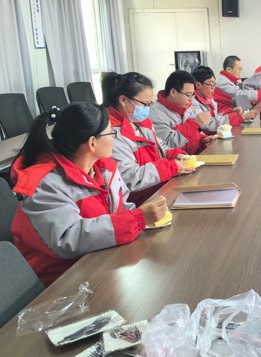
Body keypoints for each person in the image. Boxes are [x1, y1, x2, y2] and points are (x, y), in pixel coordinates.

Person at [10, 103, 168, 286]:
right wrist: (137, 219)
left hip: (103, 258)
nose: (114, 138)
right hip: (63, 280)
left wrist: (139, 218)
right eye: (111, 133)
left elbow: (123, 207)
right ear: (92, 143)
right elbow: (69, 238)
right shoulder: (44, 186)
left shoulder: (104, 168)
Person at [102, 71, 194, 205]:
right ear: (123, 100)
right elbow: (130, 178)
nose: (148, 109)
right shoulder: (110, 134)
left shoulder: (141, 122)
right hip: (140, 202)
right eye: (144, 104)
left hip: (159, 190)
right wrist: (169, 167)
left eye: (150, 104)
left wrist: (175, 155)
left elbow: (160, 147)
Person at [149, 70, 217, 154]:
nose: (191, 99)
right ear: (173, 92)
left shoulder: (185, 107)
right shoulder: (155, 115)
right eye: (188, 95)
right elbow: (170, 145)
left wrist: (202, 140)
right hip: (177, 160)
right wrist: (194, 125)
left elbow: (192, 134)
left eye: (192, 95)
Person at [192, 66, 257, 131]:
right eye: (211, 85)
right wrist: (242, 117)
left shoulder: (208, 99)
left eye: (214, 84)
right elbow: (210, 124)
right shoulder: (193, 104)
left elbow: (215, 118)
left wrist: (229, 112)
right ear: (198, 85)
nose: (213, 88)